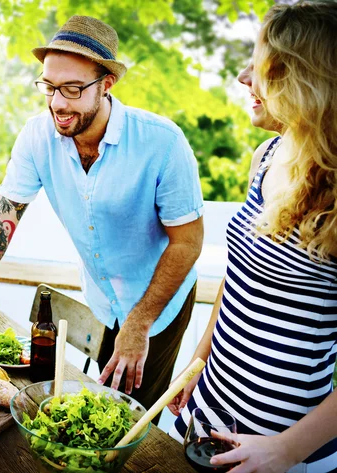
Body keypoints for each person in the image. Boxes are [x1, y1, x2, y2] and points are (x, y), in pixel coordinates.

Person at [0, 15, 204, 415]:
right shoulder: (36, 135)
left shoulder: (163, 142)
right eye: (50, 87)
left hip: (159, 301)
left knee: (129, 417)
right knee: (98, 404)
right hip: (103, 298)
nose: (57, 102)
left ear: (106, 85)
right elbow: (6, 212)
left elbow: (188, 243)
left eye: (72, 89)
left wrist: (138, 324)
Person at [169, 3, 337, 471]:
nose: (244, 77)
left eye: (260, 66)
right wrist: (196, 363)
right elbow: (240, 278)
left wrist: (286, 450)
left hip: (281, 450)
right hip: (207, 414)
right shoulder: (265, 157)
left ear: (303, 79)